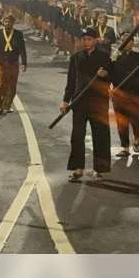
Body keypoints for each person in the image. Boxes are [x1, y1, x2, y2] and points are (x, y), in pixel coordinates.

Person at [60, 27, 112, 182]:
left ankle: (99, 169)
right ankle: (78, 168)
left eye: (89, 39)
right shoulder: (76, 58)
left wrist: (106, 75)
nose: (86, 42)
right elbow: (71, 81)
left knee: (100, 136)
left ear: (95, 40)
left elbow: (113, 77)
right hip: (79, 102)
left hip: (98, 102)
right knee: (77, 136)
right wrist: (65, 100)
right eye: (84, 39)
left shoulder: (104, 57)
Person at [109, 31, 139, 156]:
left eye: (129, 40)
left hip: (136, 94)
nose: (126, 42)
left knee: (138, 120)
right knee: (121, 122)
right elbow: (108, 74)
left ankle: (137, 139)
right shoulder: (114, 57)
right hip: (119, 95)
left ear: (133, 43)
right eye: (124, 40)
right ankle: (125, 148)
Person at [0, 14, 27, 115]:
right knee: (0, 85)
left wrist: (24, 62)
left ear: (13, 23)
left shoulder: (18, 34)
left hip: (13, 63)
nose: (7, 23)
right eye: (5, 22)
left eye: (9, 22)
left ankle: (8, 106)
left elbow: (22, 49)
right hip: (1, 63)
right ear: (3, 23)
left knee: (12, 86)